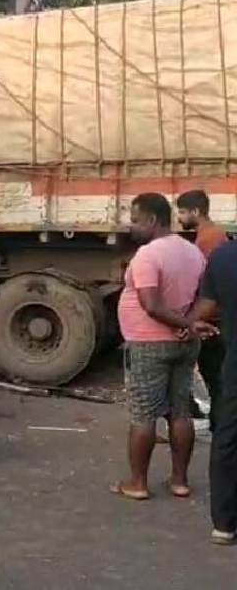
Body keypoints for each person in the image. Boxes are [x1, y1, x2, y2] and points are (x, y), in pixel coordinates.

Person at [111, 193, 205, 501]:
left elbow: (150, 304)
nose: (132, 226)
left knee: (143, 414)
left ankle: (137, 483)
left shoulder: (148, 255)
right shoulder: (193, 252)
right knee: (180, 411)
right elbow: (202, 297)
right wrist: (189, 324)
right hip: (185, 345)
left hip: (149, 343)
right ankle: (179, 481)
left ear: (152, 220)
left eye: (136, 220)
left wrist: (181, 324)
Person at [187, 240, 237, 545]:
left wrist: (192, 324)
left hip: (235, 365)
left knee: (228, 436)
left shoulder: (224, 256)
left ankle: (224, 524)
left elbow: (204, 310)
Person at [177, 189, 229, 429]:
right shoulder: (213, 235)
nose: (180, 217)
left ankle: (219, 426)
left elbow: (210, 286)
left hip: (213, 320)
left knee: (216, 378)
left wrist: (191, 321)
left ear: (196, 212)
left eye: (183, 212)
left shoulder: (207, 240)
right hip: (217, 318)